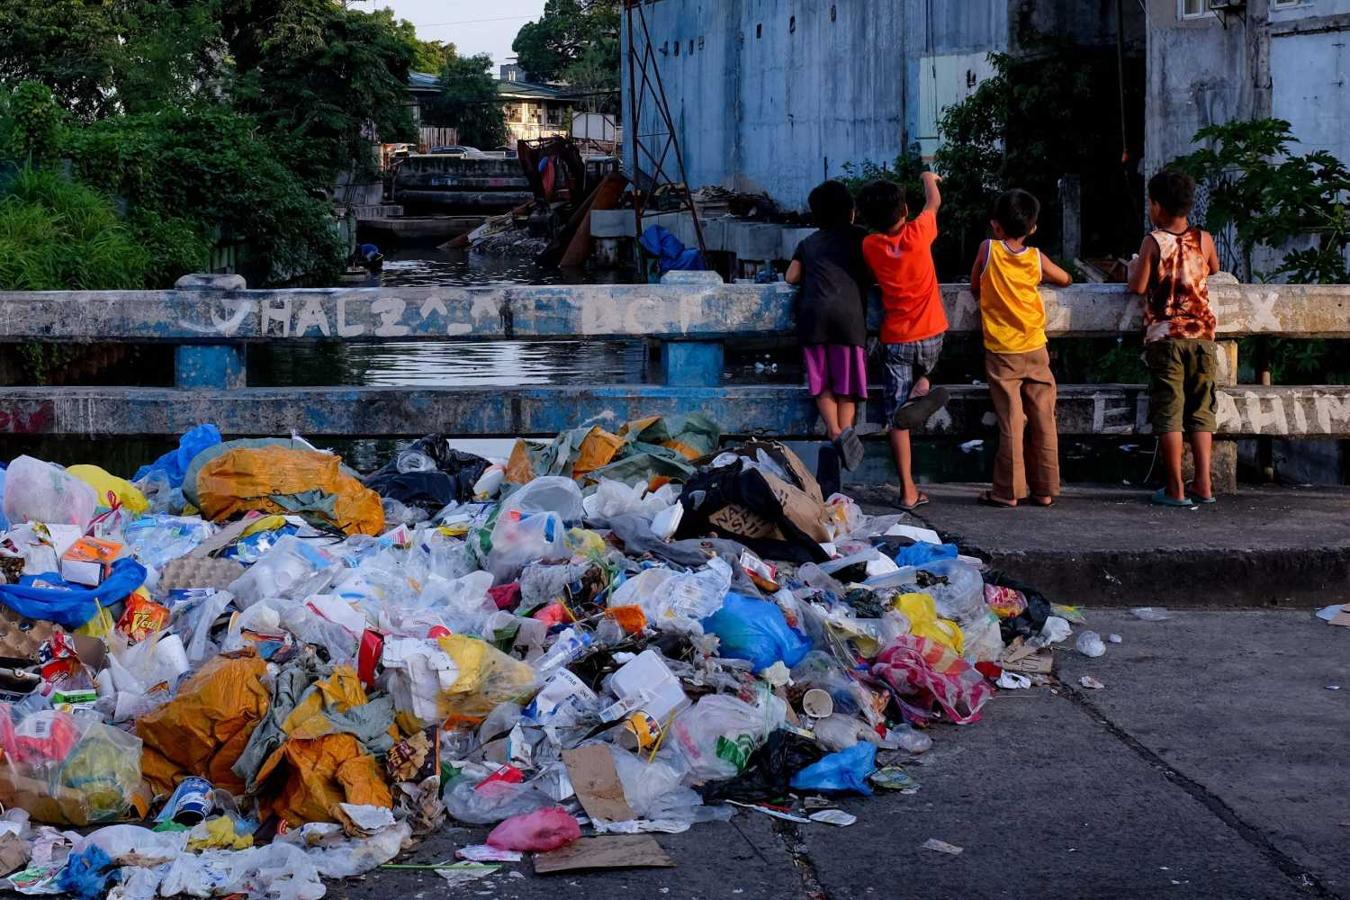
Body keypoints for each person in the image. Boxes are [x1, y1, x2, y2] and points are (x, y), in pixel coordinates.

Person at [969, 189, 1073, 509]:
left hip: (1003, 350)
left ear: (996, 226)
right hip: (1035, 346)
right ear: (1032, 228)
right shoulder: (1035, 257)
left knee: (1012, 419)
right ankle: (1045, 489)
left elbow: (975, 284)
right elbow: (1065, 279)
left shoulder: (988, 249)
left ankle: (1008, 491)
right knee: (1043, 417)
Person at [1126, 169, 1222, 507]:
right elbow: (1212, 267)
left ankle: (1176, 488)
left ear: (1156, 207)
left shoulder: (1153, 241)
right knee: (1201, 410)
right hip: (1203, 337)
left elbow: (1137, 286)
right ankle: (1205, 485)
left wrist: (1133, 266)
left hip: (1166, 338)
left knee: (1169, 412)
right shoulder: (1204, 238)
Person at [858, 172, 950, 511]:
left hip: (895, 340)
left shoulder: (870, 245)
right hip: (931, 335)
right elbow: (934, 202)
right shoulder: (919, 232)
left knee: (896, 420)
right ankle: (924, 383)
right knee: (937, 354)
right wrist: (928, 177)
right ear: (905, 211)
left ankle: (908, 491)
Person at [785, 180, 872, 472]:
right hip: (849, 319)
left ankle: (833, 431)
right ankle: (846, 431)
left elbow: (791, 278)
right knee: (846, 386)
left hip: (814, 319)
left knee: (821, 382)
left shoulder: (808, 243)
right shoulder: (862, 237)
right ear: (851, 212)